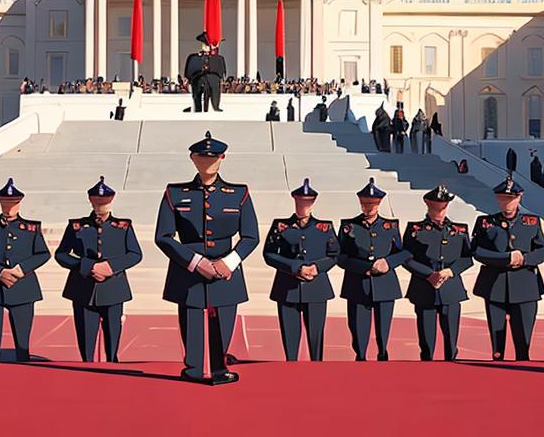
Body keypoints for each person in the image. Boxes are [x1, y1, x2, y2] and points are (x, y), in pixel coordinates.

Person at [155, 130, 259, 385]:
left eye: (213, 158)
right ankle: (192, 368)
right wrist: (196, 262)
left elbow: (251, 236)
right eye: (202, 157)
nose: (208, 162)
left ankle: (219, 368)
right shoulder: (174, 193)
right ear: (192, 159)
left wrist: (229, 262)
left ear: (222, 158)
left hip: (226, 269)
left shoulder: (239, 193)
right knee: (190, 320)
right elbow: (164, 236)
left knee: (223, 321)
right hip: (187, 269)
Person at [54, 176, 143, 362]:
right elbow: (61, 254)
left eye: (104, 203)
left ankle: (112, 366)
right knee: (86, 341)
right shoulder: (77, 226)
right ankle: (87, 368)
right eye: (97, 202)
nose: (100, 207)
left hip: (113, 289)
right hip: (83, 289)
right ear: (91, 201)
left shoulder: (123, 226)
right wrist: (88, 266)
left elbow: (135, 254)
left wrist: (110, 267)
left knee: (112, 339)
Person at [0, 179, 50, 362]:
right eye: (5, 203)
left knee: (22, 345)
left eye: (12, 204)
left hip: (23, 288)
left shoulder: (31, 227)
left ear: (19, 203)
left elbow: (43, 254)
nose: (9, 208)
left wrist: (21, 269)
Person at [471, 176, 544, 361]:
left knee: (523, 339)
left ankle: (523, 363)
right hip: (494, 284)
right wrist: (506, 258)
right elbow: (477, 251)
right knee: (497, 341)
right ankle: (497, 362)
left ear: (519, 197)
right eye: (503, 198)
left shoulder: (532, 222)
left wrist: (524, 259)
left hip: (525, 284)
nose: (507, 202)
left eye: (511, 198)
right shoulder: (485, 222)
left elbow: (543, 250)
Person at [262, 179, 338, 361]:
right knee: (290, 339)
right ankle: (291, 370)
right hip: (287, 287)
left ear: (313, 203)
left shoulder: (324, 227)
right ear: (295, 201)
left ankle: (317, 371)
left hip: (316, 288)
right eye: (300, 201)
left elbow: (334, 254)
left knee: (316, 339)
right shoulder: (281, 226)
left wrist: (316, 268)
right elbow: (269, 254)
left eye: (307, 202)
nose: (303, 205)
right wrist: (295, 267)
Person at [337, 180, 408, 361]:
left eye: (372, 204)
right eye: (365, 204)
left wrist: (388, 262)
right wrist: (366, 267)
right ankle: (360, 355)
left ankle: (383, 352)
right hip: (358, 283)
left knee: (383, 324)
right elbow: (339, 256)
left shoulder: (390, 226)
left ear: (379, 204)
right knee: (358, 325)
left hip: (385, 283)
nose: (368, 208)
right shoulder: (348, 226)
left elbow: (404, 253)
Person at [402, 185, 473, 361]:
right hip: (424, 287)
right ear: (428, 206)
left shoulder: (460, 230)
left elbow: (467, 258)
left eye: (442, 207)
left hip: (451, 288)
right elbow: (406, 257)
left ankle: (452, 366)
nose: (439, 212)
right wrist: (429, 274)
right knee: (426, 340)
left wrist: (451, 271)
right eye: (435, 208)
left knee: (451, 340)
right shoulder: (414, 230)